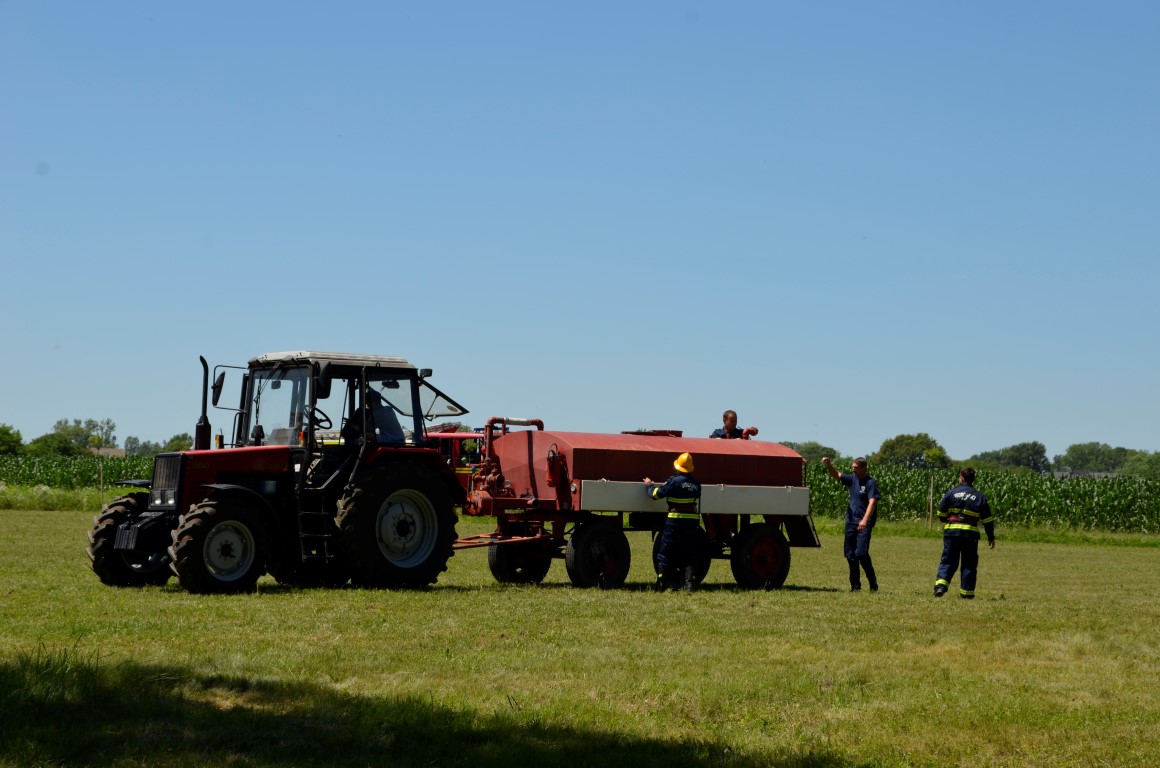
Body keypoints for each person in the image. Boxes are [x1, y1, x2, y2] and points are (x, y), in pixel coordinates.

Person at [644, 452, 702, 592]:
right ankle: (689, 585)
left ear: (678, 467)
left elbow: (655, 495)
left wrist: (649, 485)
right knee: (690, 552)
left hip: (675, 520)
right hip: (692, 522)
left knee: (666, 551)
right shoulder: (696, 484)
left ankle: (661, 583)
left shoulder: (674, 482)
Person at [934, 467, 996, 599]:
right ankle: (966, 594)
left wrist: (948, 519)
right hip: (970, 535)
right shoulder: (980, 496)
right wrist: (991, 537)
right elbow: (987, 520)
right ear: (973, 480)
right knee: (969, 564)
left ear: (961, 478)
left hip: (952, 533)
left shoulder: (951, 493)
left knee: (948, 561)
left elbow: (940, 513)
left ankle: (940, 587)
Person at [821, 456, 880, 592]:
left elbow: (872, 502)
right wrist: (829, 465)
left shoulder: (870, 483)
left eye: (856, 467)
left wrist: (865, 520)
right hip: (851, 522)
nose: (853, 469)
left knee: (861, 553)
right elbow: (837, 475)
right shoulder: (852, 479)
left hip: (864, 523)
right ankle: (855, 586)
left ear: (864, 468)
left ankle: (873, 582)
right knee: (850, 555)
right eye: (852, 467)